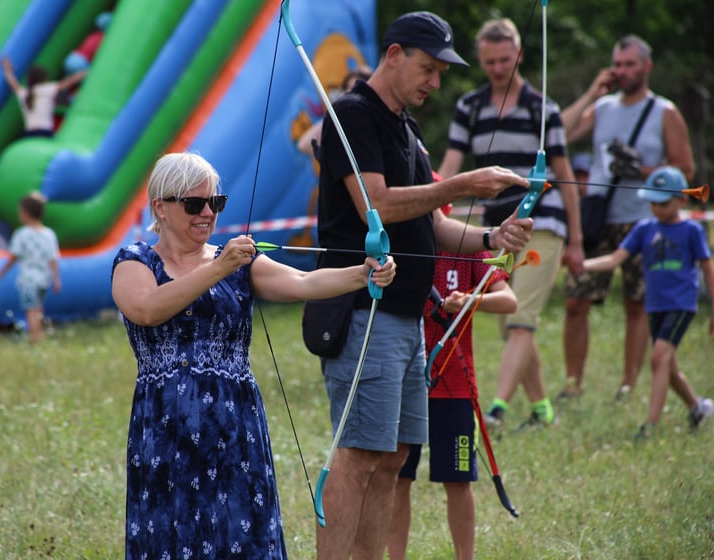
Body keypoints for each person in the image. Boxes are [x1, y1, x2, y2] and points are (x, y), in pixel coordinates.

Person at [314, 12, 534, 559]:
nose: (434, 82)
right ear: (393, 54)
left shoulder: (407, 129)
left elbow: (432, 227)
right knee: (360, 454)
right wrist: (462, 183)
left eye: (440, 72)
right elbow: (378, 205)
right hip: (364, 310)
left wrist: (490, 235)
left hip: (408, 317)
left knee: (392, 456)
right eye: (427, 68)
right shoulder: (352, 115)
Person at [110, 151, 397, 559]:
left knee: (240, 532)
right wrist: (218, 267)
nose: (207, 212)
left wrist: (363, 273)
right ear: (161, 207)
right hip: (165, 426)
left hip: (235, 422)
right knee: (172, 533)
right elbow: (147, 309)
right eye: (194, 204)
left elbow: (302, 281)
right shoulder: (135, 261)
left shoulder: (236, 261)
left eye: (215, 202)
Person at [437, 18, 583, 429]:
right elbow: (449, 169)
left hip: (544, 223)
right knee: (507, 322)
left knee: (520, 317)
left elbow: (564, 175)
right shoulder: (470, 107)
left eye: (504, 60)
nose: (498, 68)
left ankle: (497, 410)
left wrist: (577, 241)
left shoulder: (545, 111)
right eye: (489, 62)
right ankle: (541, 409)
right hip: (494, 228)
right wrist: (432, 202)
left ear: (518, 56)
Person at [560, 35, 695, 400]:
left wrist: (643, 169)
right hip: (600, 216)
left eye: (629, 64)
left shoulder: (664, 112)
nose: (622, 71)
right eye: (617, 64)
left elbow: (685, 169)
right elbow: (560, 133)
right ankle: (573, 385)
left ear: (646, 67)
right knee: (576, 301)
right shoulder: (602, 108)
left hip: (642, 220)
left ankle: (628, 385)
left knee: (637, 305)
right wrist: (591, 94)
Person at [387, 233, 517, 560]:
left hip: (454, 384)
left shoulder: (469, 248)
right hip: (406, 380)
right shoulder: (403, 244)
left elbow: (508, 300)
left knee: (458, 479)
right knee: (397, 476)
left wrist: (471, 300)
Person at [581, 166, 713, 438]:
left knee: (659, 357)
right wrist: (581, 265)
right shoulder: (644, 229)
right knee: (668, 365)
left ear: (682, 199)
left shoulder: (692, 230)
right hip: (655, 305)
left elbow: (708, 269)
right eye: (652, 202)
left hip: (681, 304)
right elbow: (616, 259)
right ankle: (698, 407)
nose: (656, 208)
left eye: (663, 202)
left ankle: (650, 426)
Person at [0, 192, 61, 344]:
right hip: (44, 279)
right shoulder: (49, 234)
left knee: (30, 310)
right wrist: (56, 279)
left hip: (28, 280)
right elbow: (53, 258)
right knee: (38, 309)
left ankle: (34, 339)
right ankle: (40, 336)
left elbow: (13, 257)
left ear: (25, 213)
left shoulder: (21, 234)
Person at [0, 57, 87, 138]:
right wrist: (85, 72)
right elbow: (69, 82)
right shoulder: (47, 89)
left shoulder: (24, 93)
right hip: (44, 133)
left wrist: (7, 70)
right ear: (44, 78)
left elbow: (13, 83)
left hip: (28, 134)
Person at [296, 67, 372, 158]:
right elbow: (303, 145)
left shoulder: (371, 125)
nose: (348, 93)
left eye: (355, 90)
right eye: (346, 88)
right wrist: (335, 113)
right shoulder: (338, 123)